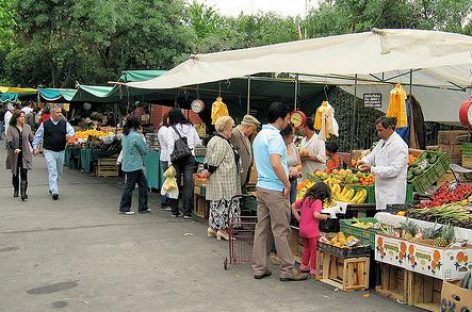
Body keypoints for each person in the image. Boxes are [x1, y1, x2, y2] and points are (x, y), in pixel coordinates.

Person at [252, 102, 308, 282]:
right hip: (275, 189)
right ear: (280, 119)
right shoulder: (275, 137)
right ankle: (288, 270)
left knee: (262, 229)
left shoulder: (260, 135)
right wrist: (287, 183)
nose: (288, 122)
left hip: (262, 187)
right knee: (281, 230)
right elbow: (276, 163)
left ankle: (259, 267)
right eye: (287, 119)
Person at [202, 116, 241, 241]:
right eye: (231, 129)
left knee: (217, 204)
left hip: (219, 180)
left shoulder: (214, 140)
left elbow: (208, 160)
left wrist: (207, 170)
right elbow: (215, 161)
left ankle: (213, 228)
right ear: (225, 129)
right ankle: (223, 230)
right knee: (225, 205)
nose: (231, 131)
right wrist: (208, 171)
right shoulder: (221, 142)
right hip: (224, 180)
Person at [358, 116, 408, 210]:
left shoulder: (399, 145)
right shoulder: (382, 142)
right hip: (382, 190)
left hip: (393, 193)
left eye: (380, 130)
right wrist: (363, 161)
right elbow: (372, 156)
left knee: (391, 221)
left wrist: (371, 169)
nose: (378, 133)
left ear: (389, 128)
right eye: (377, 130)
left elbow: (394, 170)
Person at [32, 107, 75, 200]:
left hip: (61, 151)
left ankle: (52, 187)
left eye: (60, 112)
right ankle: (55, 191)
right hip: (49, 151)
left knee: (59, 172)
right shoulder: (45, 124)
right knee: (53, 171)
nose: (60, 114)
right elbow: (38, 136)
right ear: (52, 114)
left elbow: (71, 131)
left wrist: (69, 135)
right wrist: (35, 147)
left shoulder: (64, 123)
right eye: (57, 112)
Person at [166, 108, 201, 218]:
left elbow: (170, 146)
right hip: (189, 156)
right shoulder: (191, 126)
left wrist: (169, 162)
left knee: (174, 183)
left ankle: (175, 211)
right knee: (188, 184)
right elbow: (198, 142)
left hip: (176, 158)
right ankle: (187, 212)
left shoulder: (171, 128)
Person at [291, 182, 330, 276]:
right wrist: (325, 216)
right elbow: (316, 215)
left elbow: (293, 206)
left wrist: (299, 219)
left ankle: (304, 265)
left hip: (303, 229)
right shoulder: (318, 202)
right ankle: (313, 269)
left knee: (306, 248)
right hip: (312, 231)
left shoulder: (306, 199)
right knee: (314, 250)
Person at [118, 117, 150, 215]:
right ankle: (125, 208)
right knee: (131, 186)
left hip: (128, 164)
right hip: (135, 164)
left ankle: (143, 207)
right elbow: (144, 150)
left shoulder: (125, 135)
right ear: (136, 125)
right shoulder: (136, 136)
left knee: (142, 184)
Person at [6, 111, 34, 200]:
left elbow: (31, 139)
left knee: (24, 173)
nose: (23, 118)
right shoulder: (10, 128)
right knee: (15, 174)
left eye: (24, 117)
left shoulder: (27, 127)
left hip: (25, 154)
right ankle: (16, 189)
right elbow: (9, 141)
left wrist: (35, 148)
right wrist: (15, 148)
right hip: (14, 154)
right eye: (21, 116)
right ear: (16, 118)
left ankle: (23, 193)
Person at [229, 114, 260, 192]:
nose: (252, 132)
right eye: (253, 129)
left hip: (243, 177)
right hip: (235, 177)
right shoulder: (234, 134)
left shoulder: (245, 136)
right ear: (248, 127)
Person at [280, 124, 302, 204]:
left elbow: (299, 164)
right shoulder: (277, 148)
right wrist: (288, 171)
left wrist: (295, 169)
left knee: (292, 206)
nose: (293, 136)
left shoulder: (293, 146)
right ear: (284, 135)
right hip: (281, 184)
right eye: (291, 133)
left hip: (293, 182)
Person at [157, 112, 172, 210]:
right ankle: (165, 202)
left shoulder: (163, 129)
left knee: (168, 180)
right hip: (167, 158)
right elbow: (169, 144)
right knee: (169, 181)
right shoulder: (165, 130)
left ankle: (166, 202)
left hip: (164, 157)